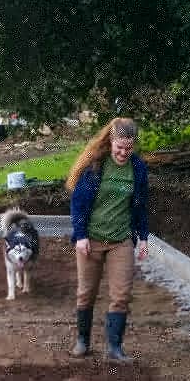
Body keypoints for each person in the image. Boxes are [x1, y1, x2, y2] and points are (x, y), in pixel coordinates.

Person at [65, 117, 150, 361]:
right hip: (91, 239)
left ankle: (114, 347)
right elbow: (78, 203)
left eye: (128, 148)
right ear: (111, 141)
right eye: (119, 147)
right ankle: (82, 341)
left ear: (133, 145)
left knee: (121, 295)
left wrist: (143, 238)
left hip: (121, 240)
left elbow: (141, 205)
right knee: (86, 292)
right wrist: (80, 236)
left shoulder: (137, 168)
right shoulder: (96, 166)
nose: (123, 152)